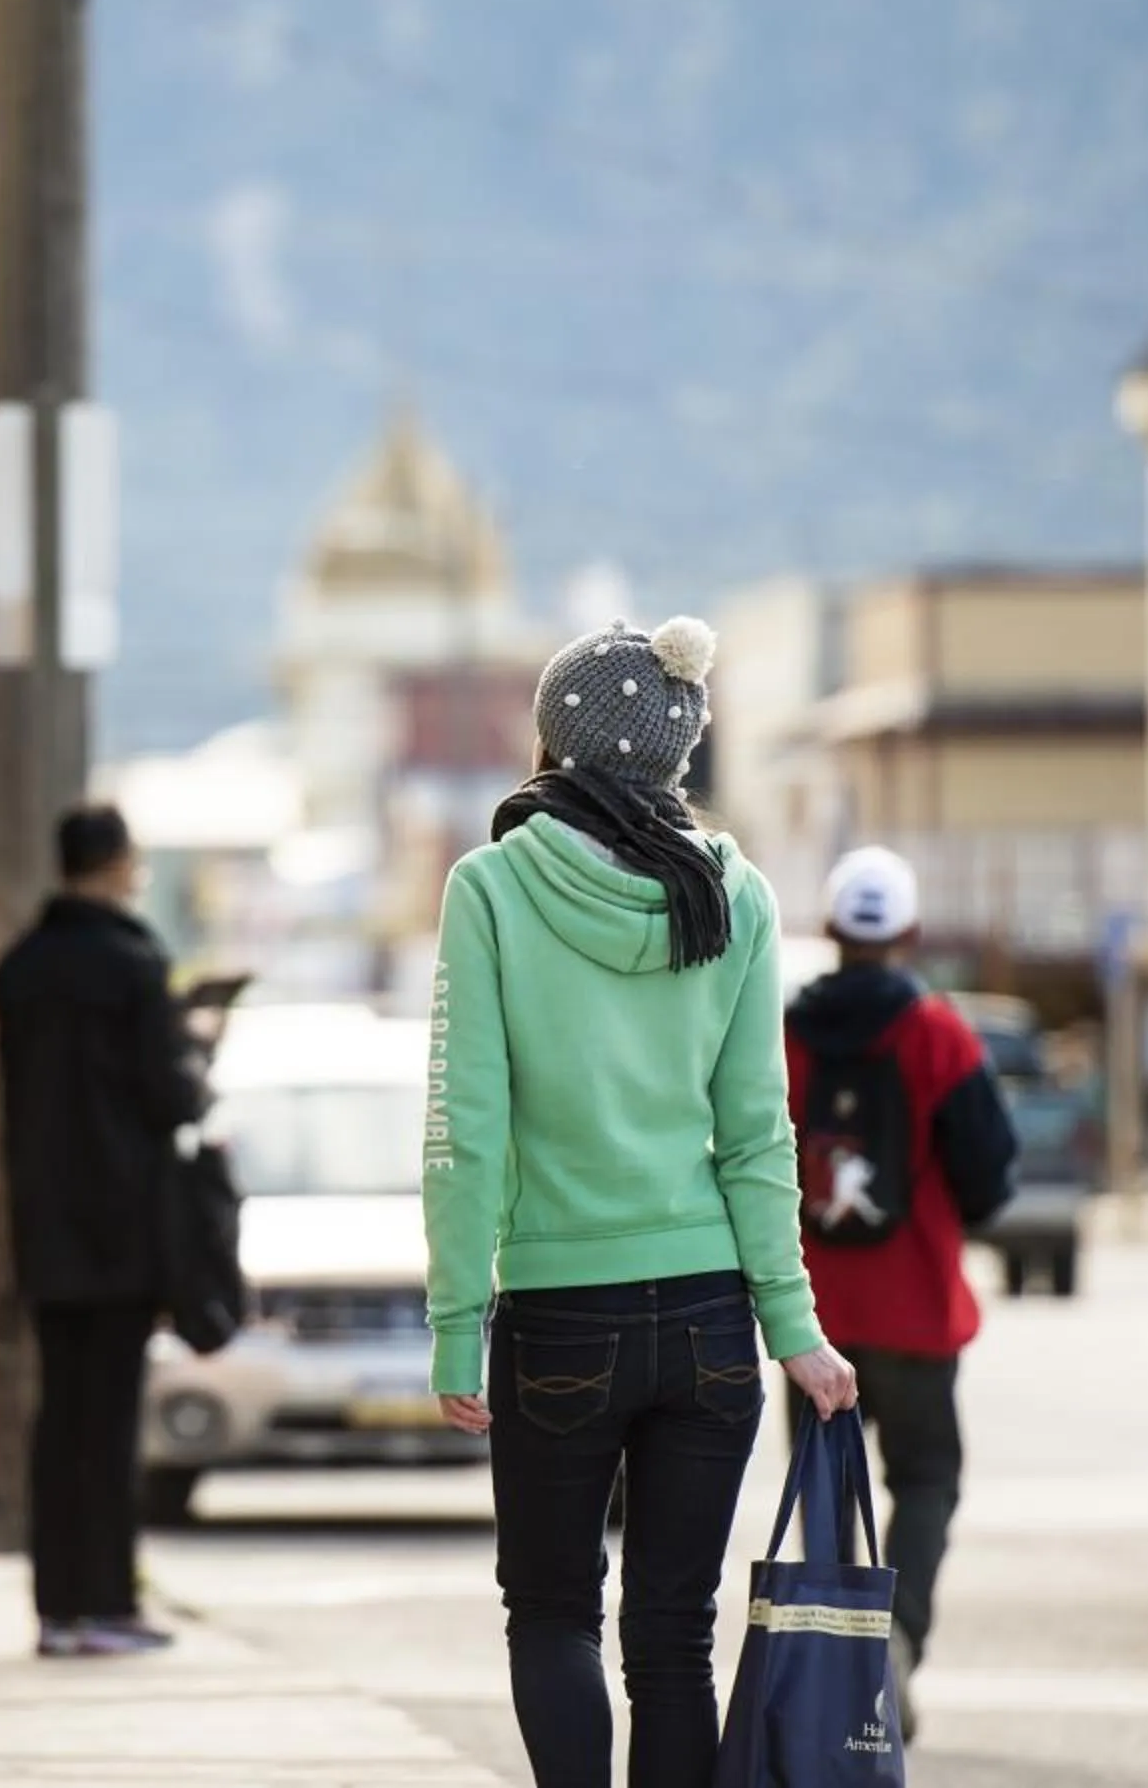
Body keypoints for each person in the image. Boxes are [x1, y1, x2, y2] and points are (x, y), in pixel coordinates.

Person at [423, 617, 858, 1788]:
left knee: (555, 1612)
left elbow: (468, 1132)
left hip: (560, 1312)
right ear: (675, 749)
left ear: (557, 741)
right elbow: (760, 1134)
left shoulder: (494, 886)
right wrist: (794, 1328)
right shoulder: (737, 894)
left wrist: (457, 1320)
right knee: (675, 1639)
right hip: (711, 1321)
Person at [783, 845, 1017, 1742]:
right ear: (910, 934)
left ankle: (841, 1669)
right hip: (917, 1309)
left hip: (811, 1315)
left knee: (822, 1492)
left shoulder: (787, 1036)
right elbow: (991, 1176)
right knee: (925, 1478)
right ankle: (900, 1638)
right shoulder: (939, 1034)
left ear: (833, 932)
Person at [0, 803, 214, 1660]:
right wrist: (194, 1048)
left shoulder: (19, 969)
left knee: (59, 1420)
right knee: (111, 1419)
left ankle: (58, 1609)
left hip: (45, 1227)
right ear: (119, 864)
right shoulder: (134, 964)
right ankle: (110, 1601)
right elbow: (171, 1098)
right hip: (124, 1227)